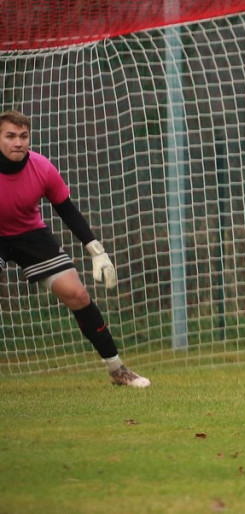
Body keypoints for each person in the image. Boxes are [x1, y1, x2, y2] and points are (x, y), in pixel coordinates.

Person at [0, 109, 150, 387]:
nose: (18, 142)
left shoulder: (42, 167)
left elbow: (67, 211)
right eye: (10, 136)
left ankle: (118, 371)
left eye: (23, 136)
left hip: (30, 234)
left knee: (78, 295)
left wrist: (97, 251)